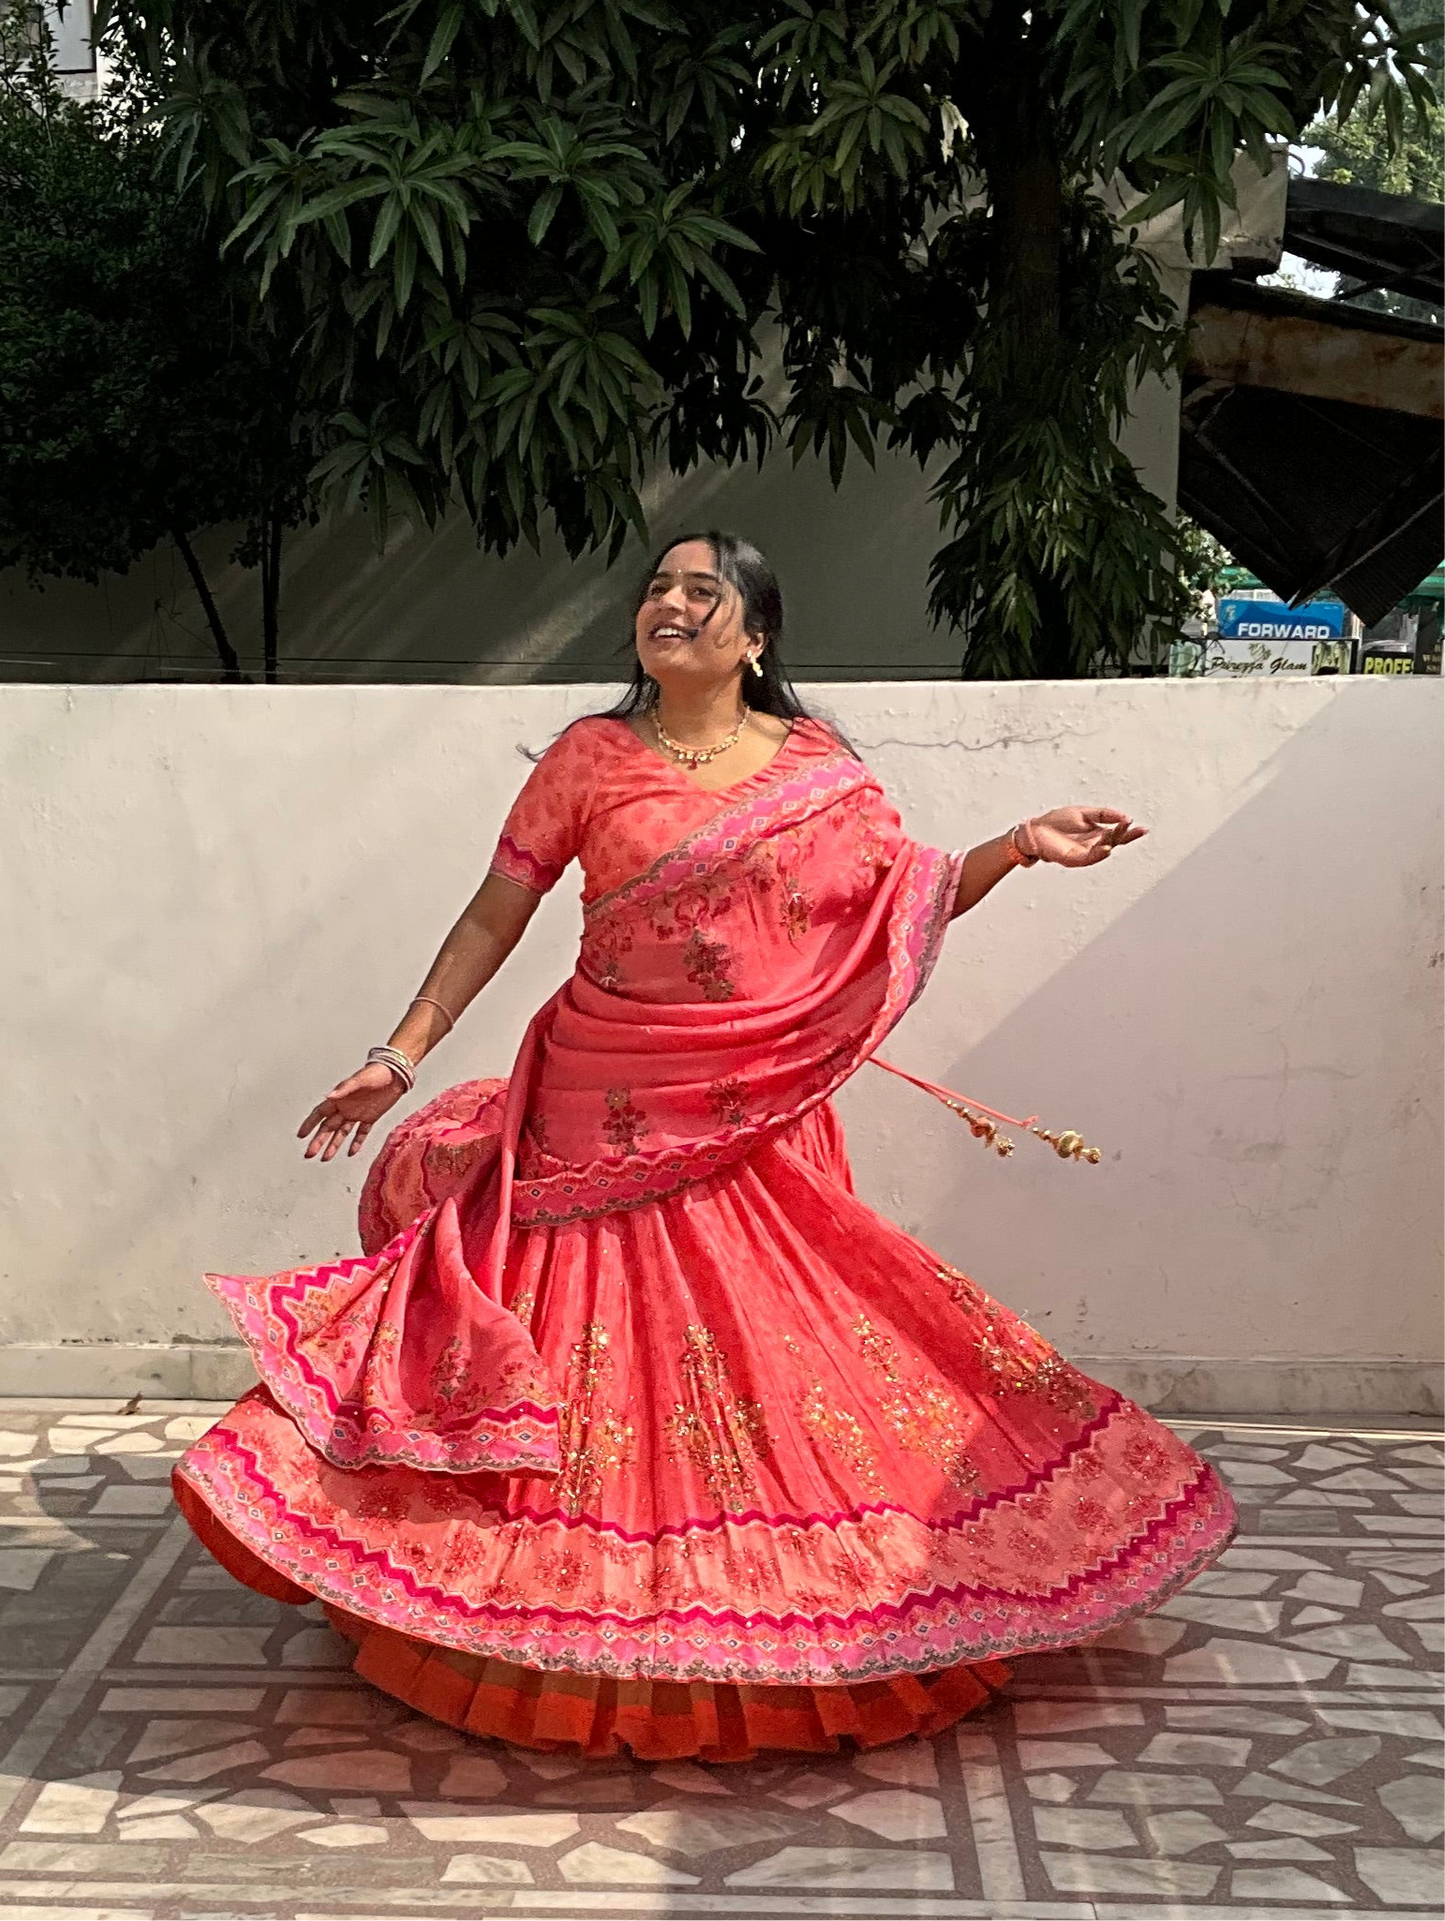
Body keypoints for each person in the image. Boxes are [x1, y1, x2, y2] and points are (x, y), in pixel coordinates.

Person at [175, 532, 1234, 1762]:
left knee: (774, 1363)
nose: (667, 606)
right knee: (573, 1352)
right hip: (591, 1103)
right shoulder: (586, 759)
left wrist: (1014, 847)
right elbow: (491, 913)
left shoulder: (820, 773)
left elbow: (898, 893)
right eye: (654, 589)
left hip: (744, 1113)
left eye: (699, 591)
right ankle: (511, 1616)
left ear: (755, 634)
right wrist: (398, 1053)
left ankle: (791, 1614)